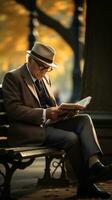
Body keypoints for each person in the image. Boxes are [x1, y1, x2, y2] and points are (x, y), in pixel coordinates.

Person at [2, 42, 112, 199]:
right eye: (41, 66)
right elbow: (14, 110)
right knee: (71, 138)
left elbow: (52, 106)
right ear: (30, 59)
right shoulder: (13, 77)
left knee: (84, 120)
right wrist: (45, 113)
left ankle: (95, 165)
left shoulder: (45, 78)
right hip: (27, 131)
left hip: (48, 125)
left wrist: (65, 113)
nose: (44, 70)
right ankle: (87, 184)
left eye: (47, 67)